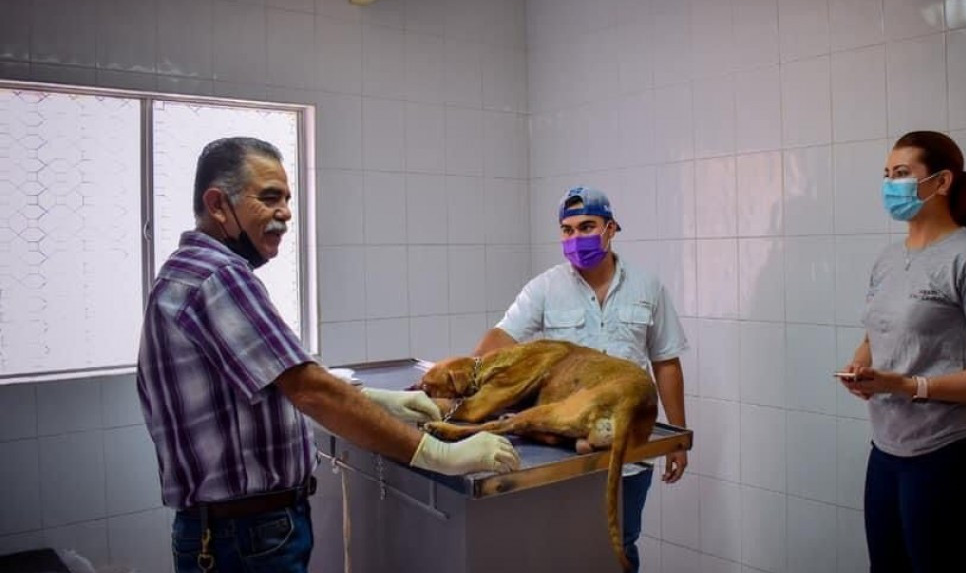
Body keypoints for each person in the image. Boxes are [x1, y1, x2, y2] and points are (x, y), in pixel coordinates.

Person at [137, 137, 519, 573]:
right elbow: (309, 389)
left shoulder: (185, 271)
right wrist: (439, 454)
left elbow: (278, 378)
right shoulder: (219, 276)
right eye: (270, 198)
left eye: (287, 199)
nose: (285, 213)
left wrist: (382, 401)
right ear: (218, 205)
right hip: (243, 536)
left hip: (228, 531)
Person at [472, 186, 689, 573]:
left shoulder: (647, 287)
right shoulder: (545, 288)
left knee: (622, 543)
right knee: (566, 549)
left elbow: (666, 363)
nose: (576, 238)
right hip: (566, 452)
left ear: (610, 228)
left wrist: (677, 438)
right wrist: (468, 377)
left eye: (587, 227)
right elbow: (500, 340)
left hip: (629, 448)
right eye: (567, 230)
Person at [838, 131, 966, 573]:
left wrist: (910, 386)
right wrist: (861, 364)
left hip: (951, 453)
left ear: (941, 182)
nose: (890, 184)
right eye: (887, 174)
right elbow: (877, 334)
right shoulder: (888, 259)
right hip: (888, 450)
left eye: (902, 173)